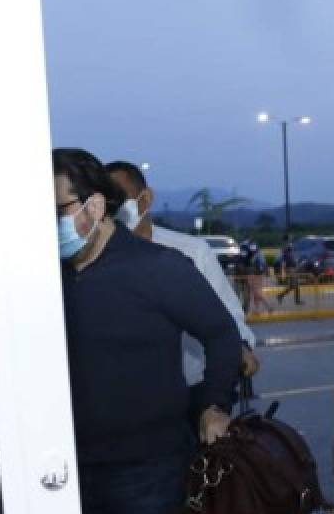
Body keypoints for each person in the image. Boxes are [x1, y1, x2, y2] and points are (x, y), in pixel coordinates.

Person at [54, 148, 241, 514]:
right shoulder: (43, 280)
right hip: (72, 473)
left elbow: (222, 335)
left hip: (153, 469)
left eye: (56, 210)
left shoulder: (157, 268)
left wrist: (213, 404)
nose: (48, 226)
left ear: (93, 206)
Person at [106, 161, 260, 385]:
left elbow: (227, 314)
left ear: (146, 199)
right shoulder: (98, 259)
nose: (113, 209)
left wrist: (240, 347)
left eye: (120, 199)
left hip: (192, 387)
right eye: (107, 203)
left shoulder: (191, 252)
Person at [276, 235, 302, 305]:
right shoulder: (286, 247)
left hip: (292, 267)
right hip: (290, 268)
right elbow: (285, 256)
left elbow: (291, 254)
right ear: (287, 239)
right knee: (294, 285)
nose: (290, 239)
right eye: (289, 238)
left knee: (294, 285)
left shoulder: (288, 246)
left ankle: (282, 296)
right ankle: (281, 296)